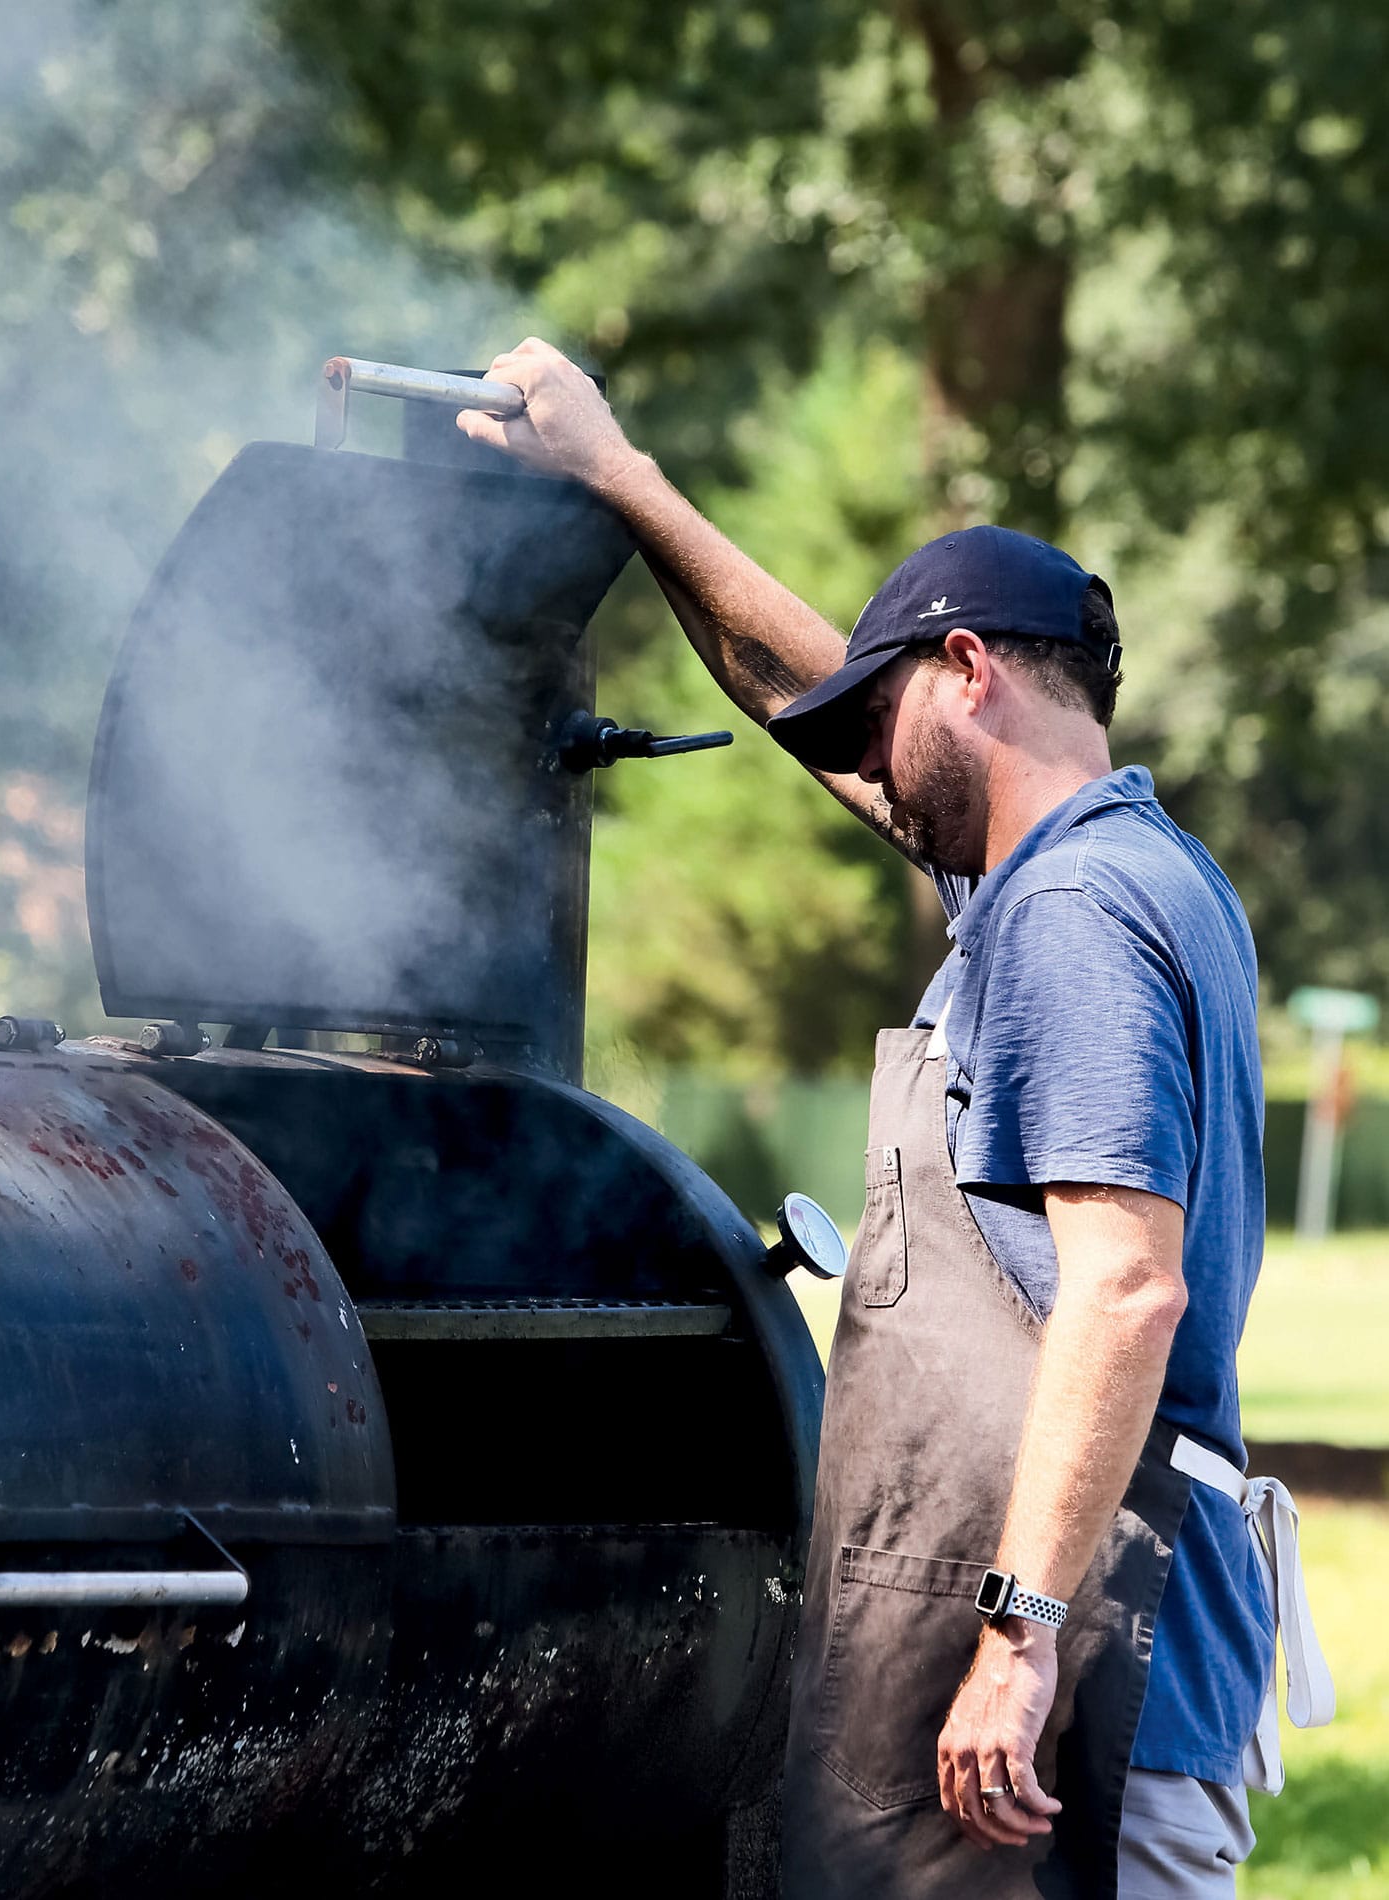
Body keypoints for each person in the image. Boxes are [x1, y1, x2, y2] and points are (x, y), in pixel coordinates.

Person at [457, 339, 1333, 1898]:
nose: (863, 766)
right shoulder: (1122, 869)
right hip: (1079, 1687)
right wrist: (622, 480)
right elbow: (803, 694)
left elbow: (1126, 1286)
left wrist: (1018, 1640)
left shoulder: (1071, 913)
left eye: (889, 715)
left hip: (1084, 1712)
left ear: (973, 671)